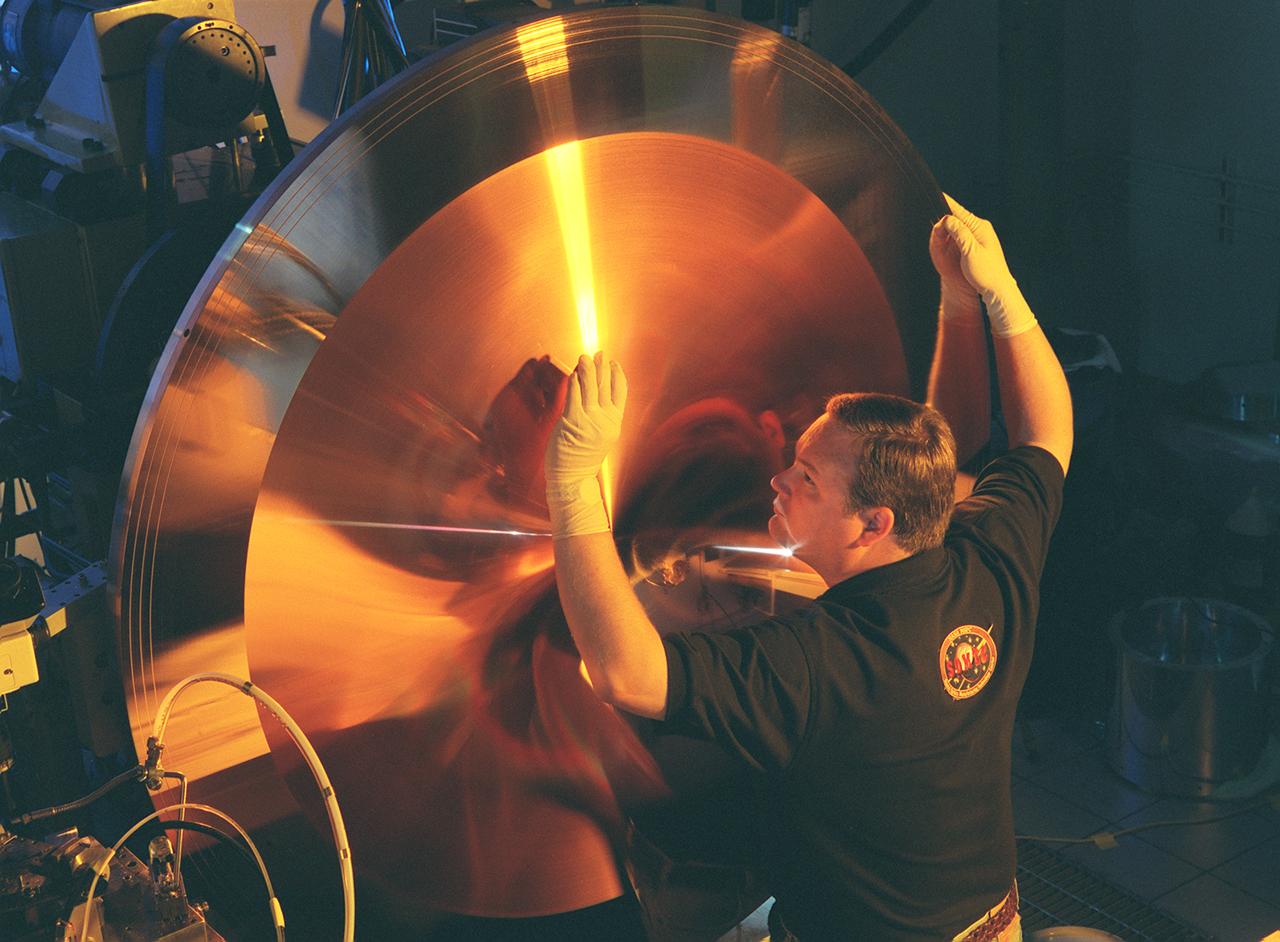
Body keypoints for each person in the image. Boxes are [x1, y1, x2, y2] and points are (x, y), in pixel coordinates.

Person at [543, 196, 1073, 941]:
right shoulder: (986, 559)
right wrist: (981, 296)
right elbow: (1045, 432)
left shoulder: (822, 662)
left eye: (807, 478)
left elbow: (625, 672)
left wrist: (571, 486)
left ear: (872, 525)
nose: (778, 481)